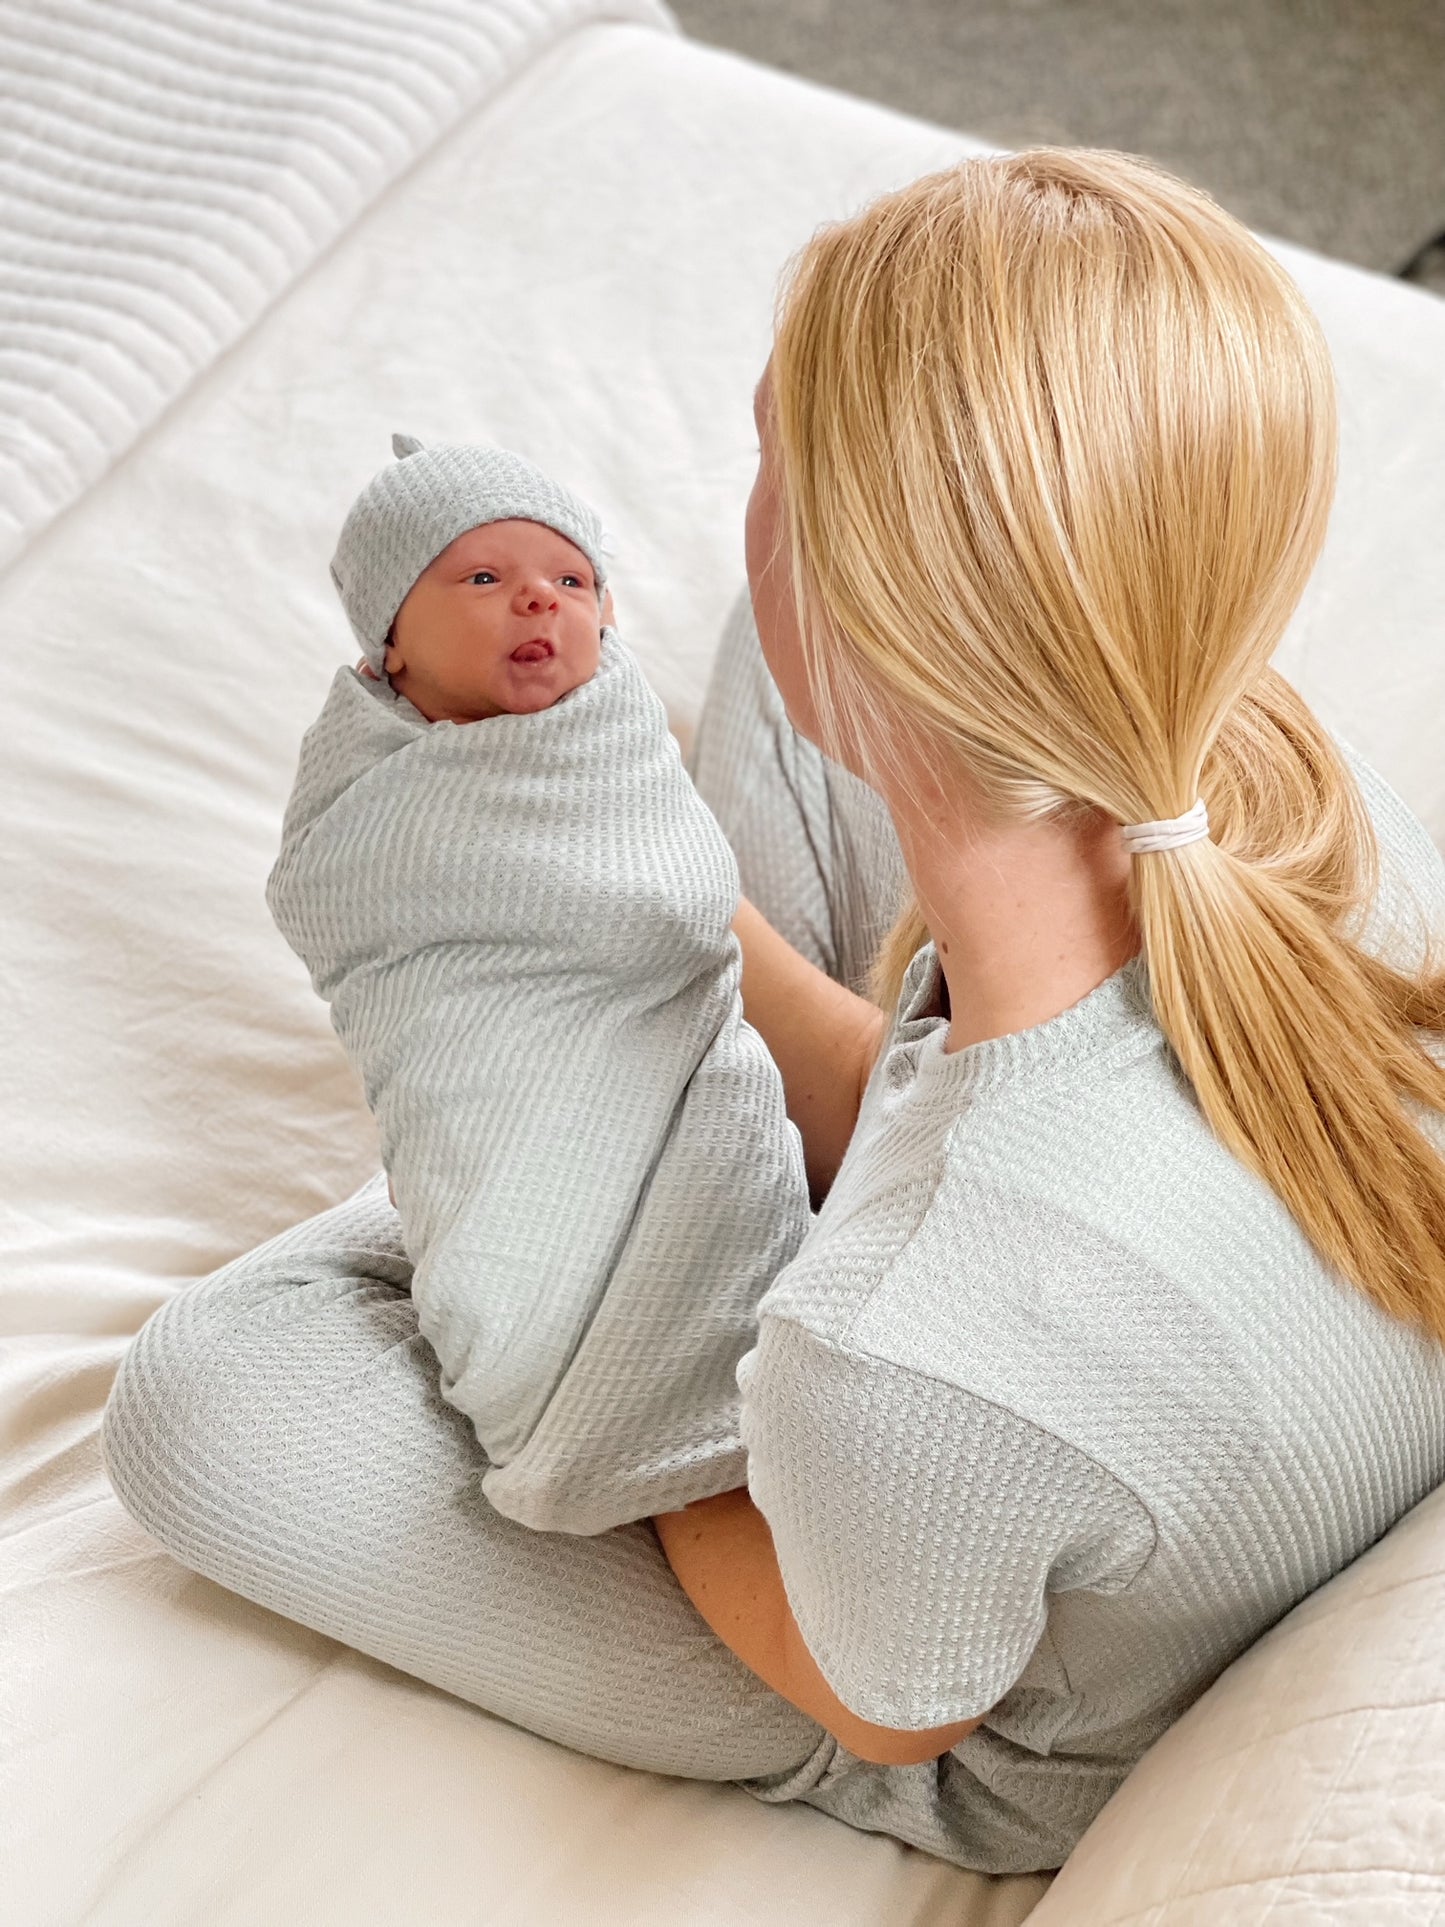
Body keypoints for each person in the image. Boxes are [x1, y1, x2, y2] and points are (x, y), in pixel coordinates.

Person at [101, 147, 1445, 1877]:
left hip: (929, 1665)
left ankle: (590, 1073)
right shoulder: (1309, 804)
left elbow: (887, 1694)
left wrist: (573, 1111)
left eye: (771, 463)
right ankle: (639, 979)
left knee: (210, 1401)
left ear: (881, 608)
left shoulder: (888, 1357)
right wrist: (704, 942)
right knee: (755, 684)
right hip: (1044, 1352)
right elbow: (952, 1105)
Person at [267, 436, 810, 1534]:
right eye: (481, 578)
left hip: (686, 1090)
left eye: (572, 581)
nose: (537, 599)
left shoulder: (616, 737)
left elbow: (677, 898)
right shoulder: (366, 809)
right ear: (389, 653)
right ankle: (595, 1388)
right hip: (493, 1128)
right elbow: (329, 902)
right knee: (510, 1279)